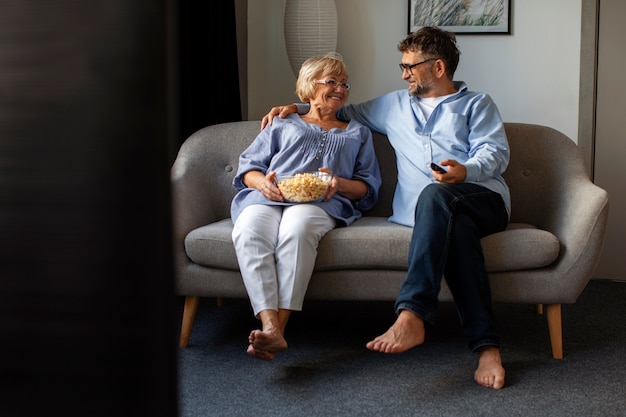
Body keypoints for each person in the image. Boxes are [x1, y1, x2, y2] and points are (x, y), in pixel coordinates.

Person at [261, 27, 510, 389]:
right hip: (435, 217)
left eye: (410, 66)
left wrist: (465, 171)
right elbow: (337, 108)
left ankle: (412, 314)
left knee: (437, 195)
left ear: (438, 67)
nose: (404, 73)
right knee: (457, 233)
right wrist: (297, 108)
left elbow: (496, 153)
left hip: (481, 199)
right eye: (402, 65)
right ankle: (488, 349)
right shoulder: (392, 105)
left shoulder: (477, 104)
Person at [231, 53, 382, 361]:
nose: (340, 88)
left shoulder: (358, 132)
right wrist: (262, 183)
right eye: (331, 82)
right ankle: (271, 326)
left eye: (344, 83)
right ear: (309, 86)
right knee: (248, 230)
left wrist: (338, 183)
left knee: (297, 230)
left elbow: (368, 186)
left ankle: (275, 332)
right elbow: (248, 167)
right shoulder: (282, 122)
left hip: (322, 202)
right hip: (269, 196)